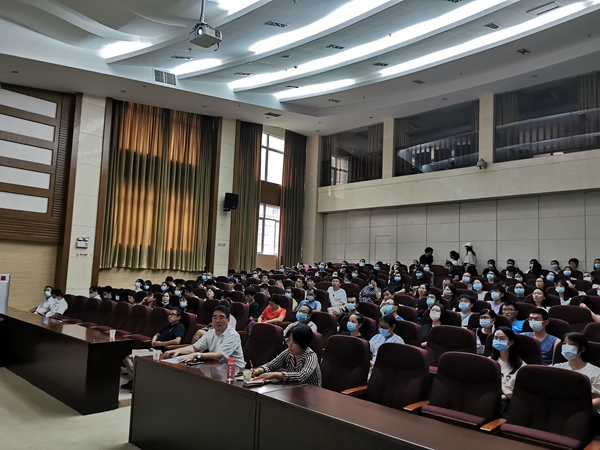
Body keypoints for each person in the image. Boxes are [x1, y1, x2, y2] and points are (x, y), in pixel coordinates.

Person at [121, 307, 186, 390]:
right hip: (152, 348)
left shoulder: (180, 326)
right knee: (127, 356)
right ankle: (135, 380)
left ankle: (135, 382)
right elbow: (157, 334)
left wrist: (160, 344)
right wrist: (153, 341)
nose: (170, 316)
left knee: (134, 358)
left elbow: (177, 341)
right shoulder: (167, 325)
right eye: (169, 314)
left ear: (179, 317)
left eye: (173, 314)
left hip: (161, 352)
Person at [166, 305, 245, 369]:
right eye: (214, 317)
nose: (217, 321)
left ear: (228, 320)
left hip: (235, 370)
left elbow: (218, 356)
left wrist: (196, 355)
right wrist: (178, 351)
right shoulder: (210, 333)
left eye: (221, 318)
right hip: (217, 366)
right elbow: (194, 348)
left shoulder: (232, 335)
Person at [253, 325, 321, 386]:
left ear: (303, 343)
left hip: (311, 392)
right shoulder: (288, 352)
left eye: (294, 342)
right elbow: (271, 365)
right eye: (289, 340)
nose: (289, 345)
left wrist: (275, 374)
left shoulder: (311, 356)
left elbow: (301, 376)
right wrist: (258, 370)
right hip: (293, 388)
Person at [553, 332, 600, 408]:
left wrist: (580, 405)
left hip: (583, 409)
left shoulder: (595, 372)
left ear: (582, 349)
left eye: (571, 344)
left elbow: (599, 398)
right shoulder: (556, 368)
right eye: (564, 343)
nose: (566, 346)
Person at [490, 326, 525, 411]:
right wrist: (503, 389)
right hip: (489, 397)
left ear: (511, 342)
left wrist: (502, 396)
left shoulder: (522, 367)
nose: (498, 341)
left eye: (502, 339)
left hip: (508, 402)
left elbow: (518, 393)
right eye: (495, 338)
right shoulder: (489, 362)